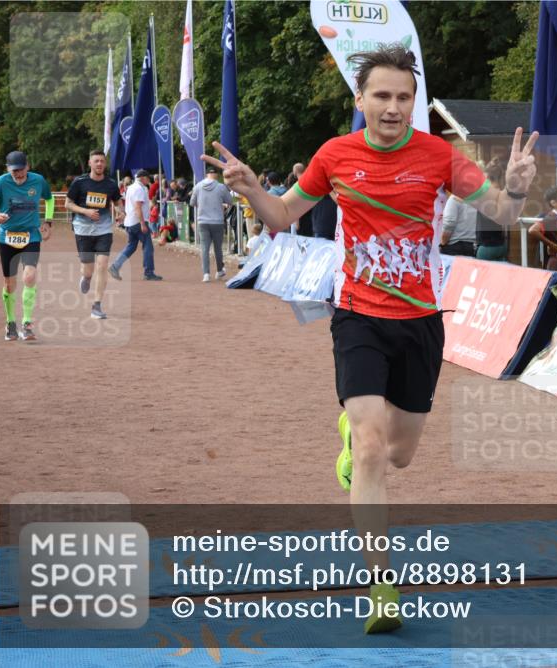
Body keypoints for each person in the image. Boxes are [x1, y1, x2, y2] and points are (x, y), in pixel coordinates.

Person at [203, 43, 538, 634]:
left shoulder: (438, 155)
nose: (392, 107)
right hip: (357, 317)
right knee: (370, 449)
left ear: (414, 103)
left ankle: (356, 444)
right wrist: (254, 189)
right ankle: (382, 585)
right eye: (381, 96)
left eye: (403, 98)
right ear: (359, 99)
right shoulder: (334, 156)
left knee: (400, 455)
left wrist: (513, 189)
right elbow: (283, 218)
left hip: (420, 324)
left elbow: (504, 215)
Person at [0, 150, 54, 341]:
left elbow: (49, 198)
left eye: (21, 170)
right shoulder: (1, 182)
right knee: (9, 283)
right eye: (15, 172)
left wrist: (48, 221)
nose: (19, 175)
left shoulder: (38, 181)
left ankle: (27, 324)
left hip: (31, 236)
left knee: (29, 276)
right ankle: (10, 322)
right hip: (7, 237)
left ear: (27, 166)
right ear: (8, 169)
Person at [65, 149, 125, 319]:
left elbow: (117, 201)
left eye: (102, 161)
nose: (99, 164)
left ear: (105, 164)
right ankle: (86, 277)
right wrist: (85, 211)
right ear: (90, 163)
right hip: (83, 229)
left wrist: (121, 211)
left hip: (103, 228)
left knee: (102, 265)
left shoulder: (110, 184)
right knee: (88, 269)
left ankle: (97, 305)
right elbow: (68, 204)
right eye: (96, 161)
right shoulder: (79, 182)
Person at [110, 169, 163, 281]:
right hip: (137, 222)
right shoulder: (139, 189)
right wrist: (143, 224)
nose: (149, 181)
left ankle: (115, 266)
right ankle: (148, 272)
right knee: (148, 247)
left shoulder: (131, 188)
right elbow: (138, 207)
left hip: (130, 222)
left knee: (131, 246)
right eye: (148, 179)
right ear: (143, 178)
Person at [191, 165, 234, 282]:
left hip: (202, 221)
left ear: (206, 175)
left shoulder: (198, 186)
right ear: (217, 175)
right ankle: (219, 271)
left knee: (204, 248)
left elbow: (192, 202)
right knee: (218, 248)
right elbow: (230, 201)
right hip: (217, 221)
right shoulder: (221, 187)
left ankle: (206, 274)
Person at [474, 159, 509, 261]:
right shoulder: (501, 192)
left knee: (482, 276)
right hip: (500, 244)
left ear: (487, 177)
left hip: (487, 246)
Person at [529, 185, 557, 270]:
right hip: (555, 261)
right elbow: (533, 230)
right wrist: (551, 245)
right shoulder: (551, 217)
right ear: (553, 203)